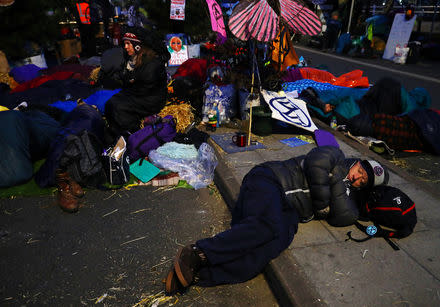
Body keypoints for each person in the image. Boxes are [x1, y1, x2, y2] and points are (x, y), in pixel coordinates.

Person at [164, 145, 389, 294]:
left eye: (363, 180)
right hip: (269, 180)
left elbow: (344, 217)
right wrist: (325, 202)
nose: (357, 177)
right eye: (360, 170)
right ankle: (198, 252)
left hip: (289, 211)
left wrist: (340, 189)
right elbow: (317, 165)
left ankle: (200, 273)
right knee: (267, 225)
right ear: (357, 162)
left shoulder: (345, 190)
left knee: (271, 246)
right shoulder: (336, 156)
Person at [102, 26, 170, 143]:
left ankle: (132, 135)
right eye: (125, 44)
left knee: (118, 107)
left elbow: (143, 89)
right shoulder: (133, 60)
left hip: (151, 99)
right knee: (110, 103)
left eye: (128, 43)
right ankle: (117, 134)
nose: (126, 47)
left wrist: (129, 81)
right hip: (140, 94)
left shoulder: (152, 63)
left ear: (137, 45)